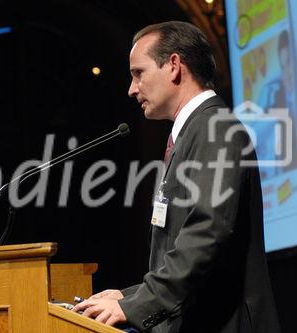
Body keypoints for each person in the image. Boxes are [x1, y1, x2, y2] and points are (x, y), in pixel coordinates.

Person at [73, 21, 281, 333]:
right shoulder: (194, 132)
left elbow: (205, 235)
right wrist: (128, 296)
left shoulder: (215, 130)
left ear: (173, 66)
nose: (131, 89)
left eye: (138, 73)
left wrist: (135, 306)